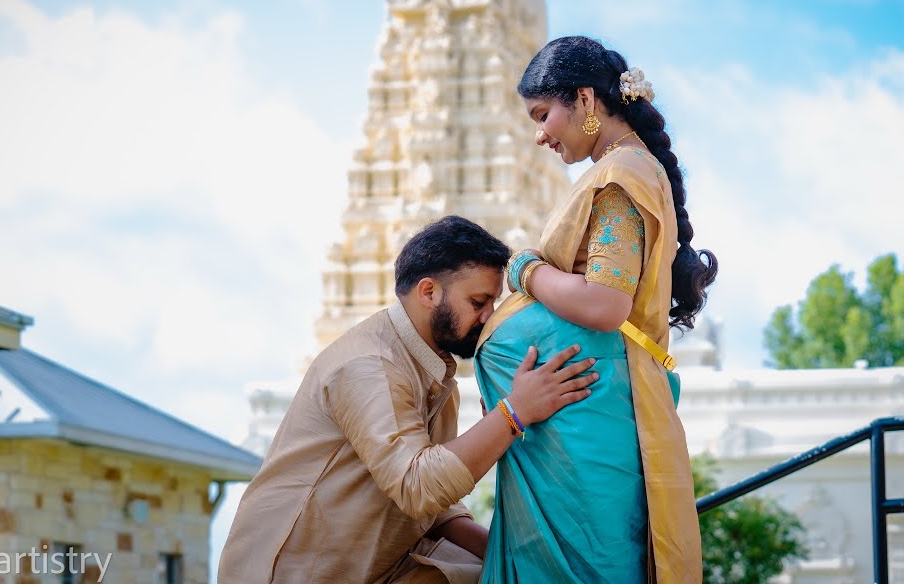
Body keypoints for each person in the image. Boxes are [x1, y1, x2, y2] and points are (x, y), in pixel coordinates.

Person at [218, 215, 599, 584]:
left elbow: (438, 509)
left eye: (492, 305)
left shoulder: (431, 367)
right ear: (429, 292)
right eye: (478, 302)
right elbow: (419, 487)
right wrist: (513, 414)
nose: (488, 318)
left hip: (381, 565)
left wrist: (509, 557)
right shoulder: (370, 367)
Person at [474, 36, 718, 583]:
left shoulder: (622, 174)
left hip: (590, 428)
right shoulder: (628, 168)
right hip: (584, 416)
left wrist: (526, 272)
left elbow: (607, 305)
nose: (539, 135)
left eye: (543, 115)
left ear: (585, 100)